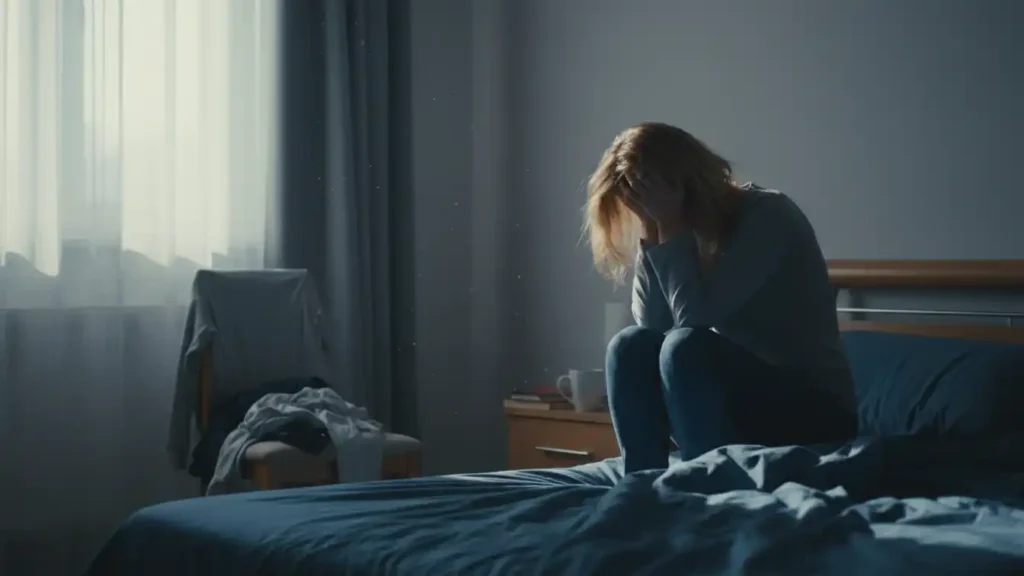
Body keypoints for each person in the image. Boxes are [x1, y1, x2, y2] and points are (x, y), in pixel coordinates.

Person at [584, 122, 857, 473]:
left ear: (685, 181)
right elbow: (653, 329)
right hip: (740, 400)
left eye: (649, 196)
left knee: (686, 347)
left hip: (817, 410)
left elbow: (694, 324)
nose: (645, 209)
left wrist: (671, 226)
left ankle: (707, 483)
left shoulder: (769, 216)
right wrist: (653, 233)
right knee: (629, 344)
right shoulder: (676, 231)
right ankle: (642, 484)